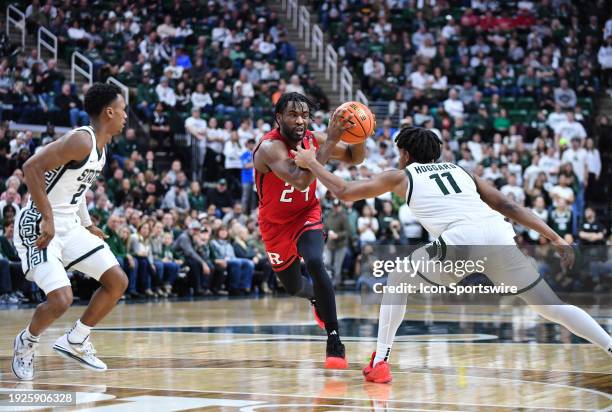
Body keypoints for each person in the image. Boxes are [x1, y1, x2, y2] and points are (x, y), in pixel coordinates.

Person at [293, 126, 612, 383]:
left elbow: (345, 191)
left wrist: (312, 163)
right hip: (499, 234)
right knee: (552, 307)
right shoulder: (462, 171)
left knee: (398, 277)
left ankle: (380, 361)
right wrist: (554, 236)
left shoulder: (403, 175)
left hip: (461, 240)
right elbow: (509, 206)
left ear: (404, 154)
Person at [12, 83, 129, 380]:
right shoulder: (81, 140)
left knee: (117, 281)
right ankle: (27, 341)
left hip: (69, 225)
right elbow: (30, 167)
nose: (126, 116)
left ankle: (76, 339)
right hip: (38, 222)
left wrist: (88, 224)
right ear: (109, 111)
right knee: (61, 299)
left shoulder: (100, 150)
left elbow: (77, 191)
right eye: (123, 109)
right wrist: (48, 218)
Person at [253, 92, 366, 369]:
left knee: (315, 261)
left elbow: (355, 158)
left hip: (306, 214)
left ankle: (334, 340)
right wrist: (330, 140)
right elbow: (301, 180)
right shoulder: (269, 148)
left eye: (304, 114)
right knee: (294, 287)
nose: (300, 120)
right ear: (279, 118)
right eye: (293, 114)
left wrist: (360, 132)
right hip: (275, 226)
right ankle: (315, 296)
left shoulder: (314, 139)